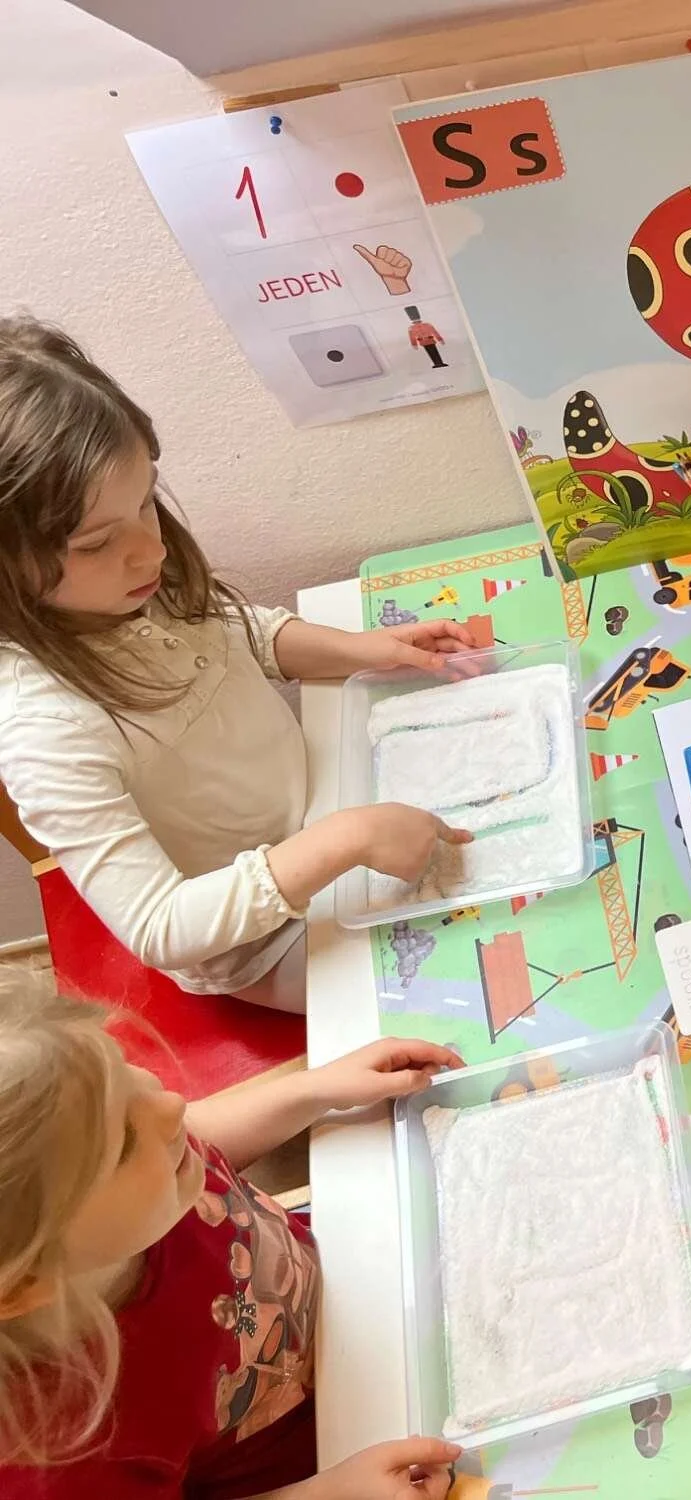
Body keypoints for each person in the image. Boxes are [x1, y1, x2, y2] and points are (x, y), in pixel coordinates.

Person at [0, 318, 474, 1011]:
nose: (150, 553)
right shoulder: (45, 732)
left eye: (147, 503)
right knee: (466, 963)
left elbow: (227, 636)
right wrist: (341, 842)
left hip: (326, 806)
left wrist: (361, 650)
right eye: (99, 541)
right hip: (271, 940)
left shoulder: (121, 585)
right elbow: (162, 927)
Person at [0, 973, 464, 1497]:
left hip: (358, 1280)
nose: (172, 1103)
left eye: (125, 1068)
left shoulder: (148, 1171)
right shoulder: (62, 1455)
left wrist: (318, 1089)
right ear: (26, 1283)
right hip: (337, 1450)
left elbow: (195, 1133)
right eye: (124, 1142)